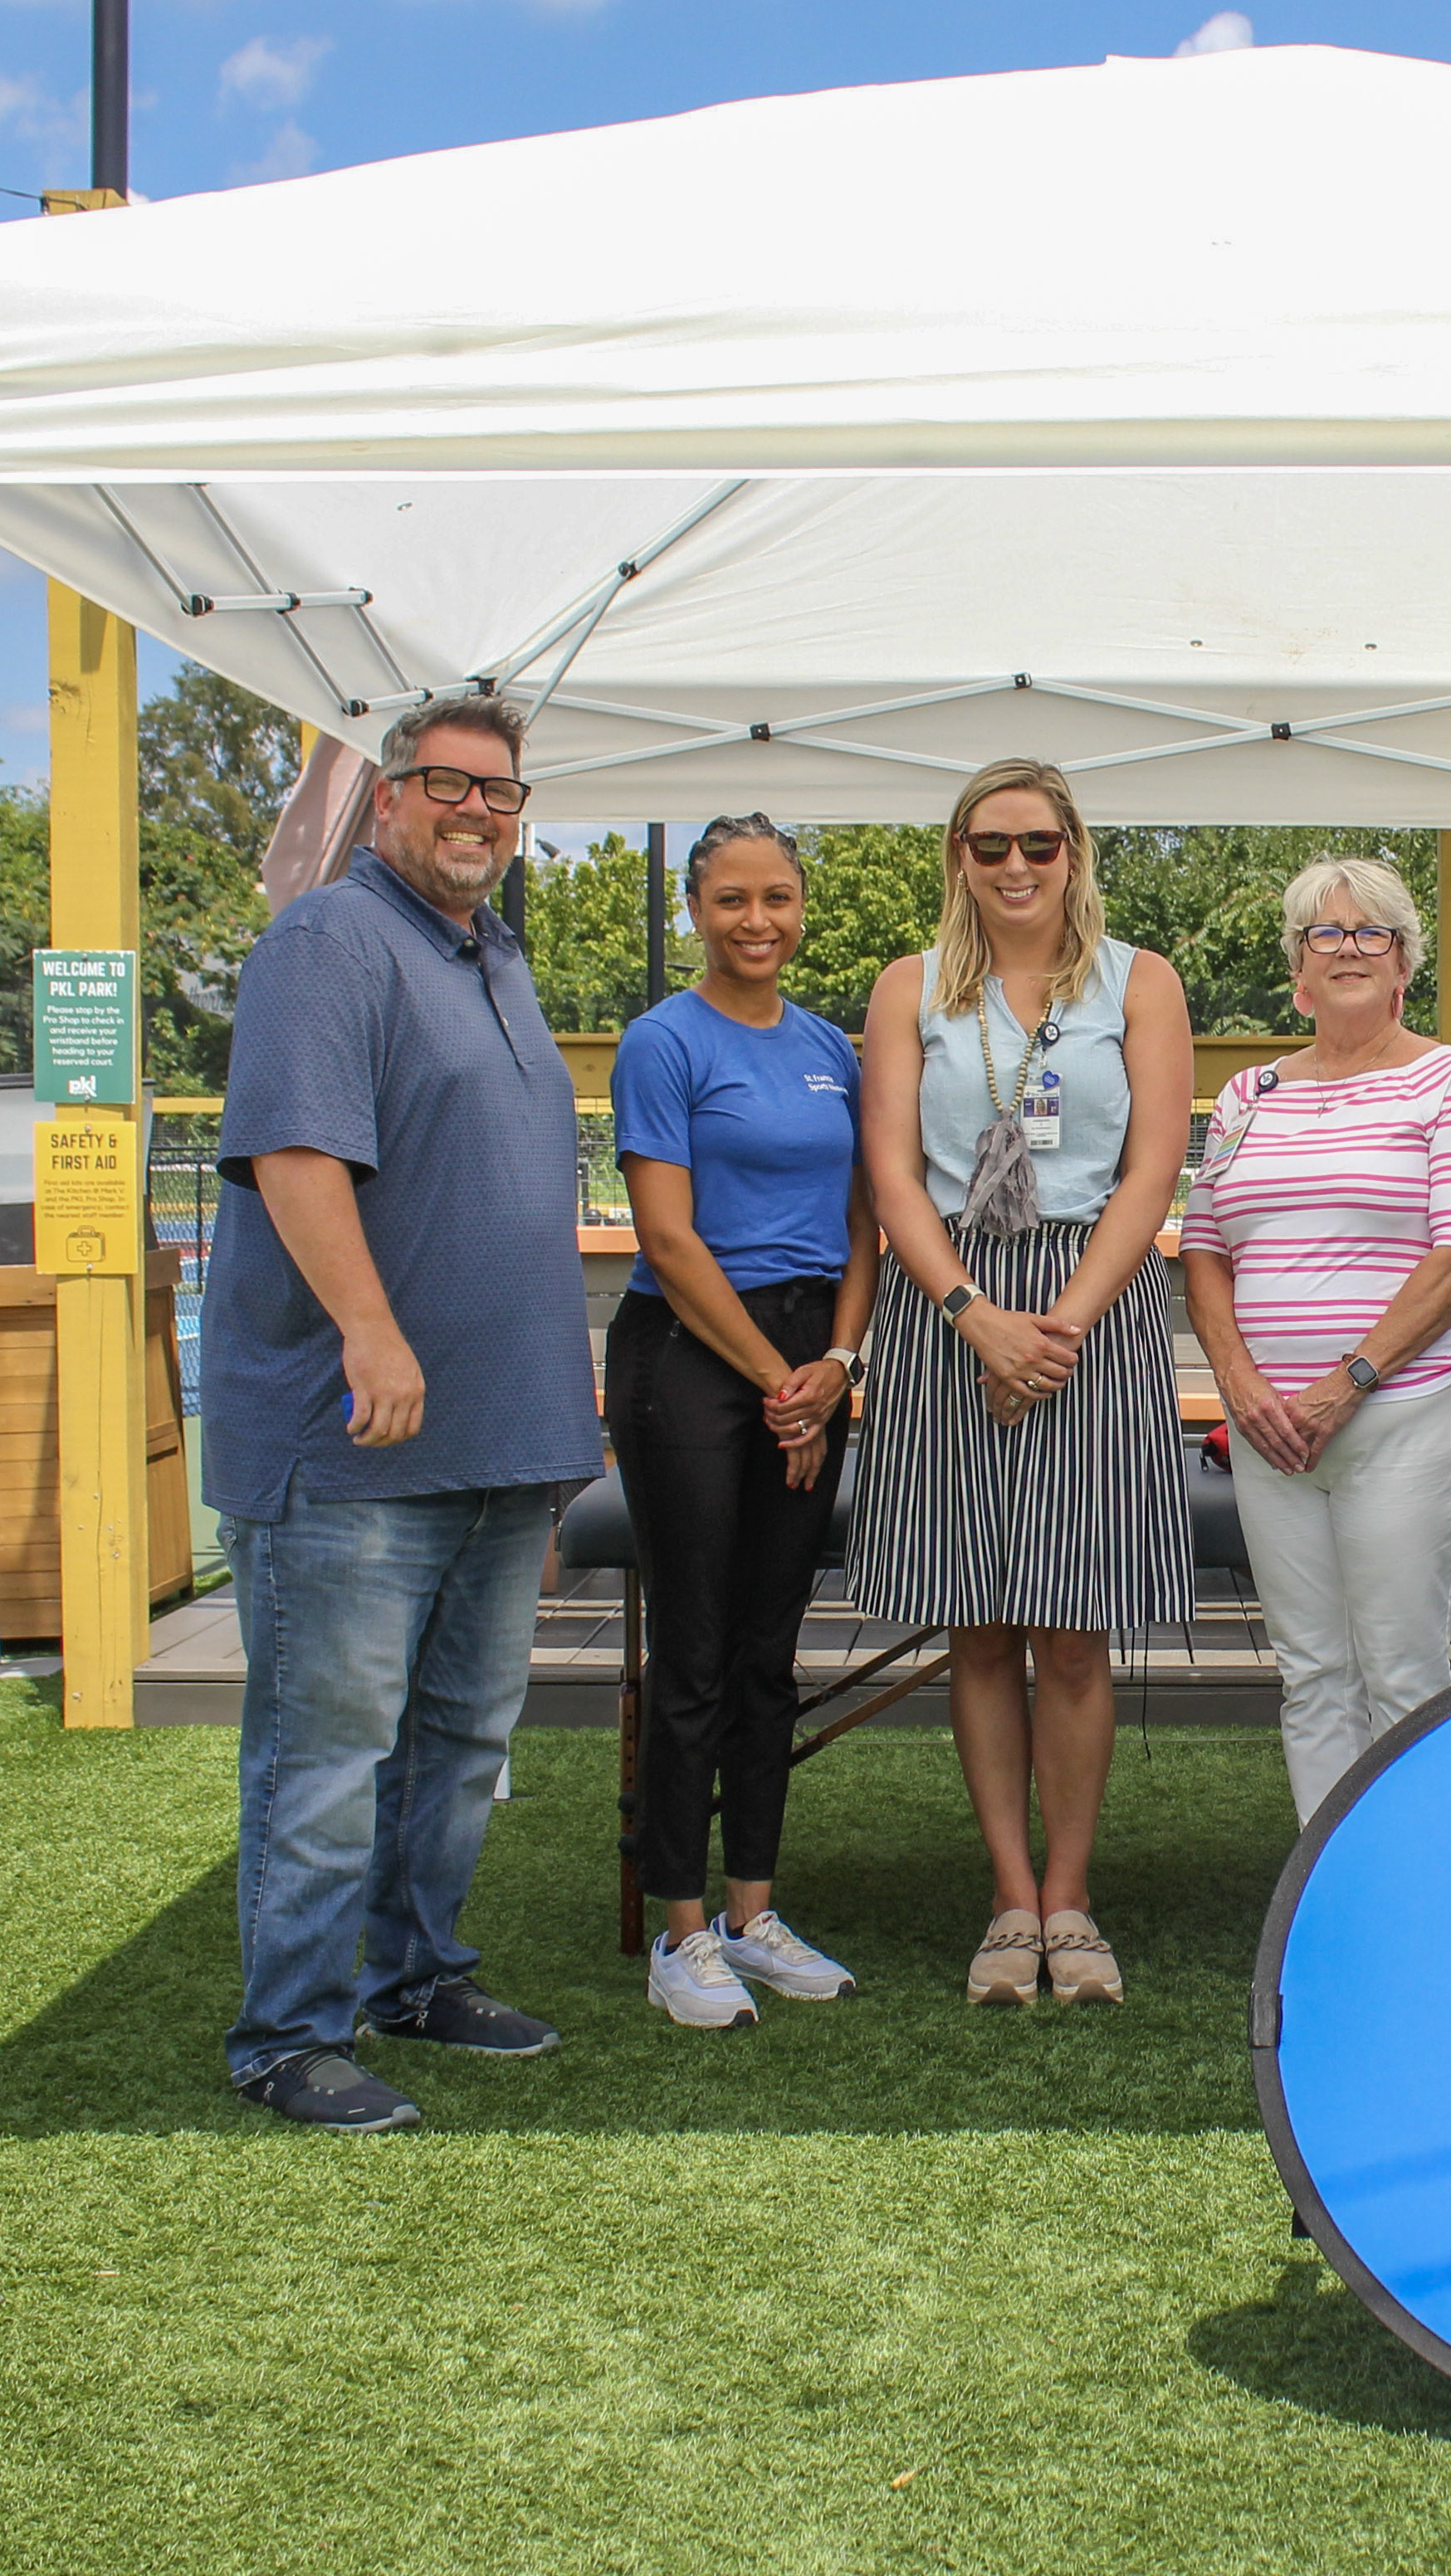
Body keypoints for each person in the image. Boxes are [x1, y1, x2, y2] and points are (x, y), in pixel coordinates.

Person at [206, 692, 599, 2132]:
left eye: (500, 792)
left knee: (459, 1745)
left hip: (495, 1442)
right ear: (386, 800)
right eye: (447, 784)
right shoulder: (329, 941)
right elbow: (297, 1155)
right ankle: (287, 2036)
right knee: (328, 1752)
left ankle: (416, 1974)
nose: (476, 811)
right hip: (352, 1444)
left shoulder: (495, 956)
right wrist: (370, 1333)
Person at [857, 762, 1195, 2008]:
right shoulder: (908, 988)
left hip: (1089, 1303)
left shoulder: (1140, 982)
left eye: (1038, 845)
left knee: (1074, 1622)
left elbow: (1152, 1170)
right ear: (958, 853)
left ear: (1073, 852)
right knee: (983, 1622)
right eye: (990, 844)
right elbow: (893, 1174)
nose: (1015, 867)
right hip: (948, 1303)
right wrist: (973, 1318)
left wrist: (1056, 1327)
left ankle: (1070, 1897)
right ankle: (1009, 1898)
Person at [607, 814, 879, 2030]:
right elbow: (668, 1240)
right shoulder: (663, 1042)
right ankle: (678, 1931)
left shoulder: (829, 1047)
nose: (756, 921)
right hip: (692, 1353)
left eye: (776, 898)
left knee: (771, 1648)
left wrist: (837, 1364)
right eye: (731, 900)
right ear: (695, 910)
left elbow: (868, 1221)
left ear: (801, 909)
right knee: (697, 1649)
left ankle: (750, 1915)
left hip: (808, 1353)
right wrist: (783, 1385)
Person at [1182, 858, 1451, 1819]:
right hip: (1270, 1431)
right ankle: (1326, 1883)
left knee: (1400, 1669)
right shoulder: (1247, 1095)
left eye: (1372, 932)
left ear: (1405, 962)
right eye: (1324, 933)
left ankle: (1414, 1880)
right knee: (1310, 1672)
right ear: (1297, 967)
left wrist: (1347, 1382)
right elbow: (1203, 1249)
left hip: (1406, 1414)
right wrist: (1241, 1385)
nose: (1349, 949)